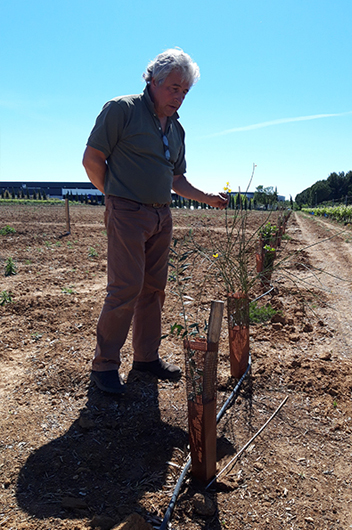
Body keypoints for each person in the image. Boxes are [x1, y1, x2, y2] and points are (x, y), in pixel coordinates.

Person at [82, 49, 228, 394]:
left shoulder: (177, 129)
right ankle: (104, 366)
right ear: (152, 81)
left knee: (153, 291)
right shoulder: (122, 110)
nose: (178, 97)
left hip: (162, 215)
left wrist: (207, 198)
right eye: (173, 88)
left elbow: (176, 179)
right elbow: (92, 159)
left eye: (184, 92)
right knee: (125, 289)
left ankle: (146, 358)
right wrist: (117, 197)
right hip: (128, 213)